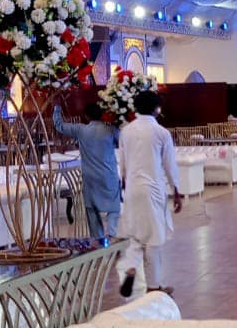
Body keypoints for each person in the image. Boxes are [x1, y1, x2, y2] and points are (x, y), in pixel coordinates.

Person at [116, 88, 183, 298]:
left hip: (132, 188)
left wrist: (124, 183)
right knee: (154, 237)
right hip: (152, 190)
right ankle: (154, 285)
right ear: (156, 109)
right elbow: (169, 165)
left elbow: (122, 163)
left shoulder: (126, 131)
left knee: (136, 236)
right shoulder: (161, 132)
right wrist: (176, 191)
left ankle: (131, 268)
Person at [52, 101, 121, 238]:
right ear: (102, 114)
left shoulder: (81, 130)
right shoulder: (111, 130)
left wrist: (57, 109)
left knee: (92, 209)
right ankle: (112, 233)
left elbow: (59, 125)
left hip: (90, 177)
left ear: (86, 116)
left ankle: (98, 238)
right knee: (114, 206)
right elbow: (122, 141)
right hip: (109, 174)